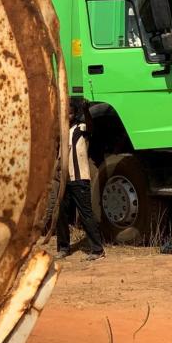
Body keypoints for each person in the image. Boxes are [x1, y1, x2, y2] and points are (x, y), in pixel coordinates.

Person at [56, 100, 105, 260]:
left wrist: (86, 110)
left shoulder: (81, 128)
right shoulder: (62, 131)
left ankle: (97, 250)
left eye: (70, 113)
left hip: (79, 178)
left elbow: (91, 127)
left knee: (86, 213)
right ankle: (63, 247)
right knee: (61, 213)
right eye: (66, 113)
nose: (68, 116)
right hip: (65, 179)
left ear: (75, 114)